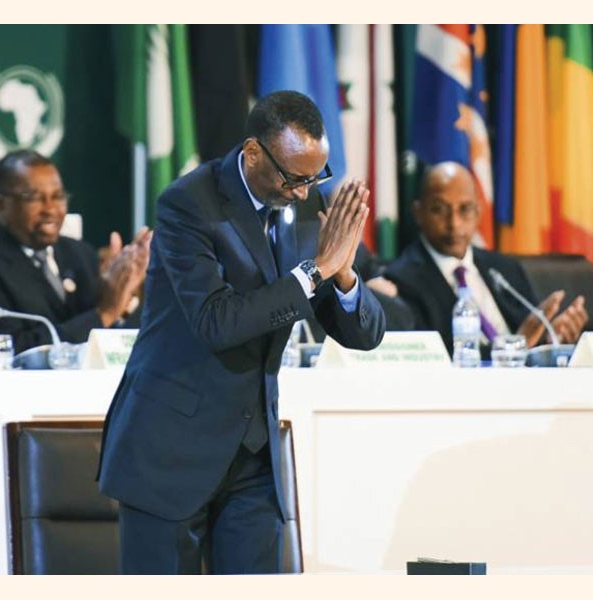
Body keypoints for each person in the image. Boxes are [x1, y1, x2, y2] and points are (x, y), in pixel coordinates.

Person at [97, 90, 386, 574]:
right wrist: (316, 270)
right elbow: (217, 321)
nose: (303, 190)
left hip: (253, 460)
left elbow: (364, 334)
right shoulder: (188, 205)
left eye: (316, 177)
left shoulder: (310, 201)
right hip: (170, 452)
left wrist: (343, 275)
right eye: (294, 177)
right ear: (253, 153)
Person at [0, 150, 150, 358]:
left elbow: (106, 341)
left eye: (58, 197)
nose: (50, 209)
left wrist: (121, 294)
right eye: (34, 198)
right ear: (0, 205)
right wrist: (104, 312)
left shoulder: (80, 254)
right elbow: (9, 352)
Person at [381, 161, 588, 355]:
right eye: (440, 210)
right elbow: (435, 357)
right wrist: (516, 344)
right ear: (418, 213)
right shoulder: (402, 279)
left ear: (479, 212)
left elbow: (534, 333)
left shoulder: (504, 267)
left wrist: (551, 338)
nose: (454, 223)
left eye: (465, 209)